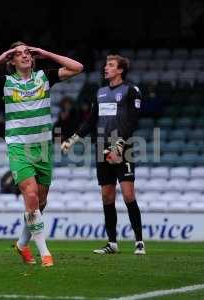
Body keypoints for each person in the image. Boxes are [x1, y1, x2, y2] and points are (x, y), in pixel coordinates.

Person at [0, 41, 83, 267]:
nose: (25, 56)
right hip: (19, 147)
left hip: (43, 148)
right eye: (19, 54)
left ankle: (21, 244)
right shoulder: (6, 82)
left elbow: (77, 67)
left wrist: (46, 52)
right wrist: (1, 57)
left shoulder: (44, 77)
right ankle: (45, 254)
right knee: (30, 197)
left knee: (40, 203)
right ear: (12, 61)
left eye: (28, 53)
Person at [61, 55, 146, 255]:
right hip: (101, 147)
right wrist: (72, 139)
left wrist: (119, 144)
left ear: (120, 70)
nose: (106, 68)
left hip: (123, 147)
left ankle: (139, 241)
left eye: (110, 65)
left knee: (128, 195)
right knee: (107, 196)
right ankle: (112, 243)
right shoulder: (100, 92)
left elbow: (132, 121)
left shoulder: (131, 91)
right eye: (106, 65)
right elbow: (91, 121)